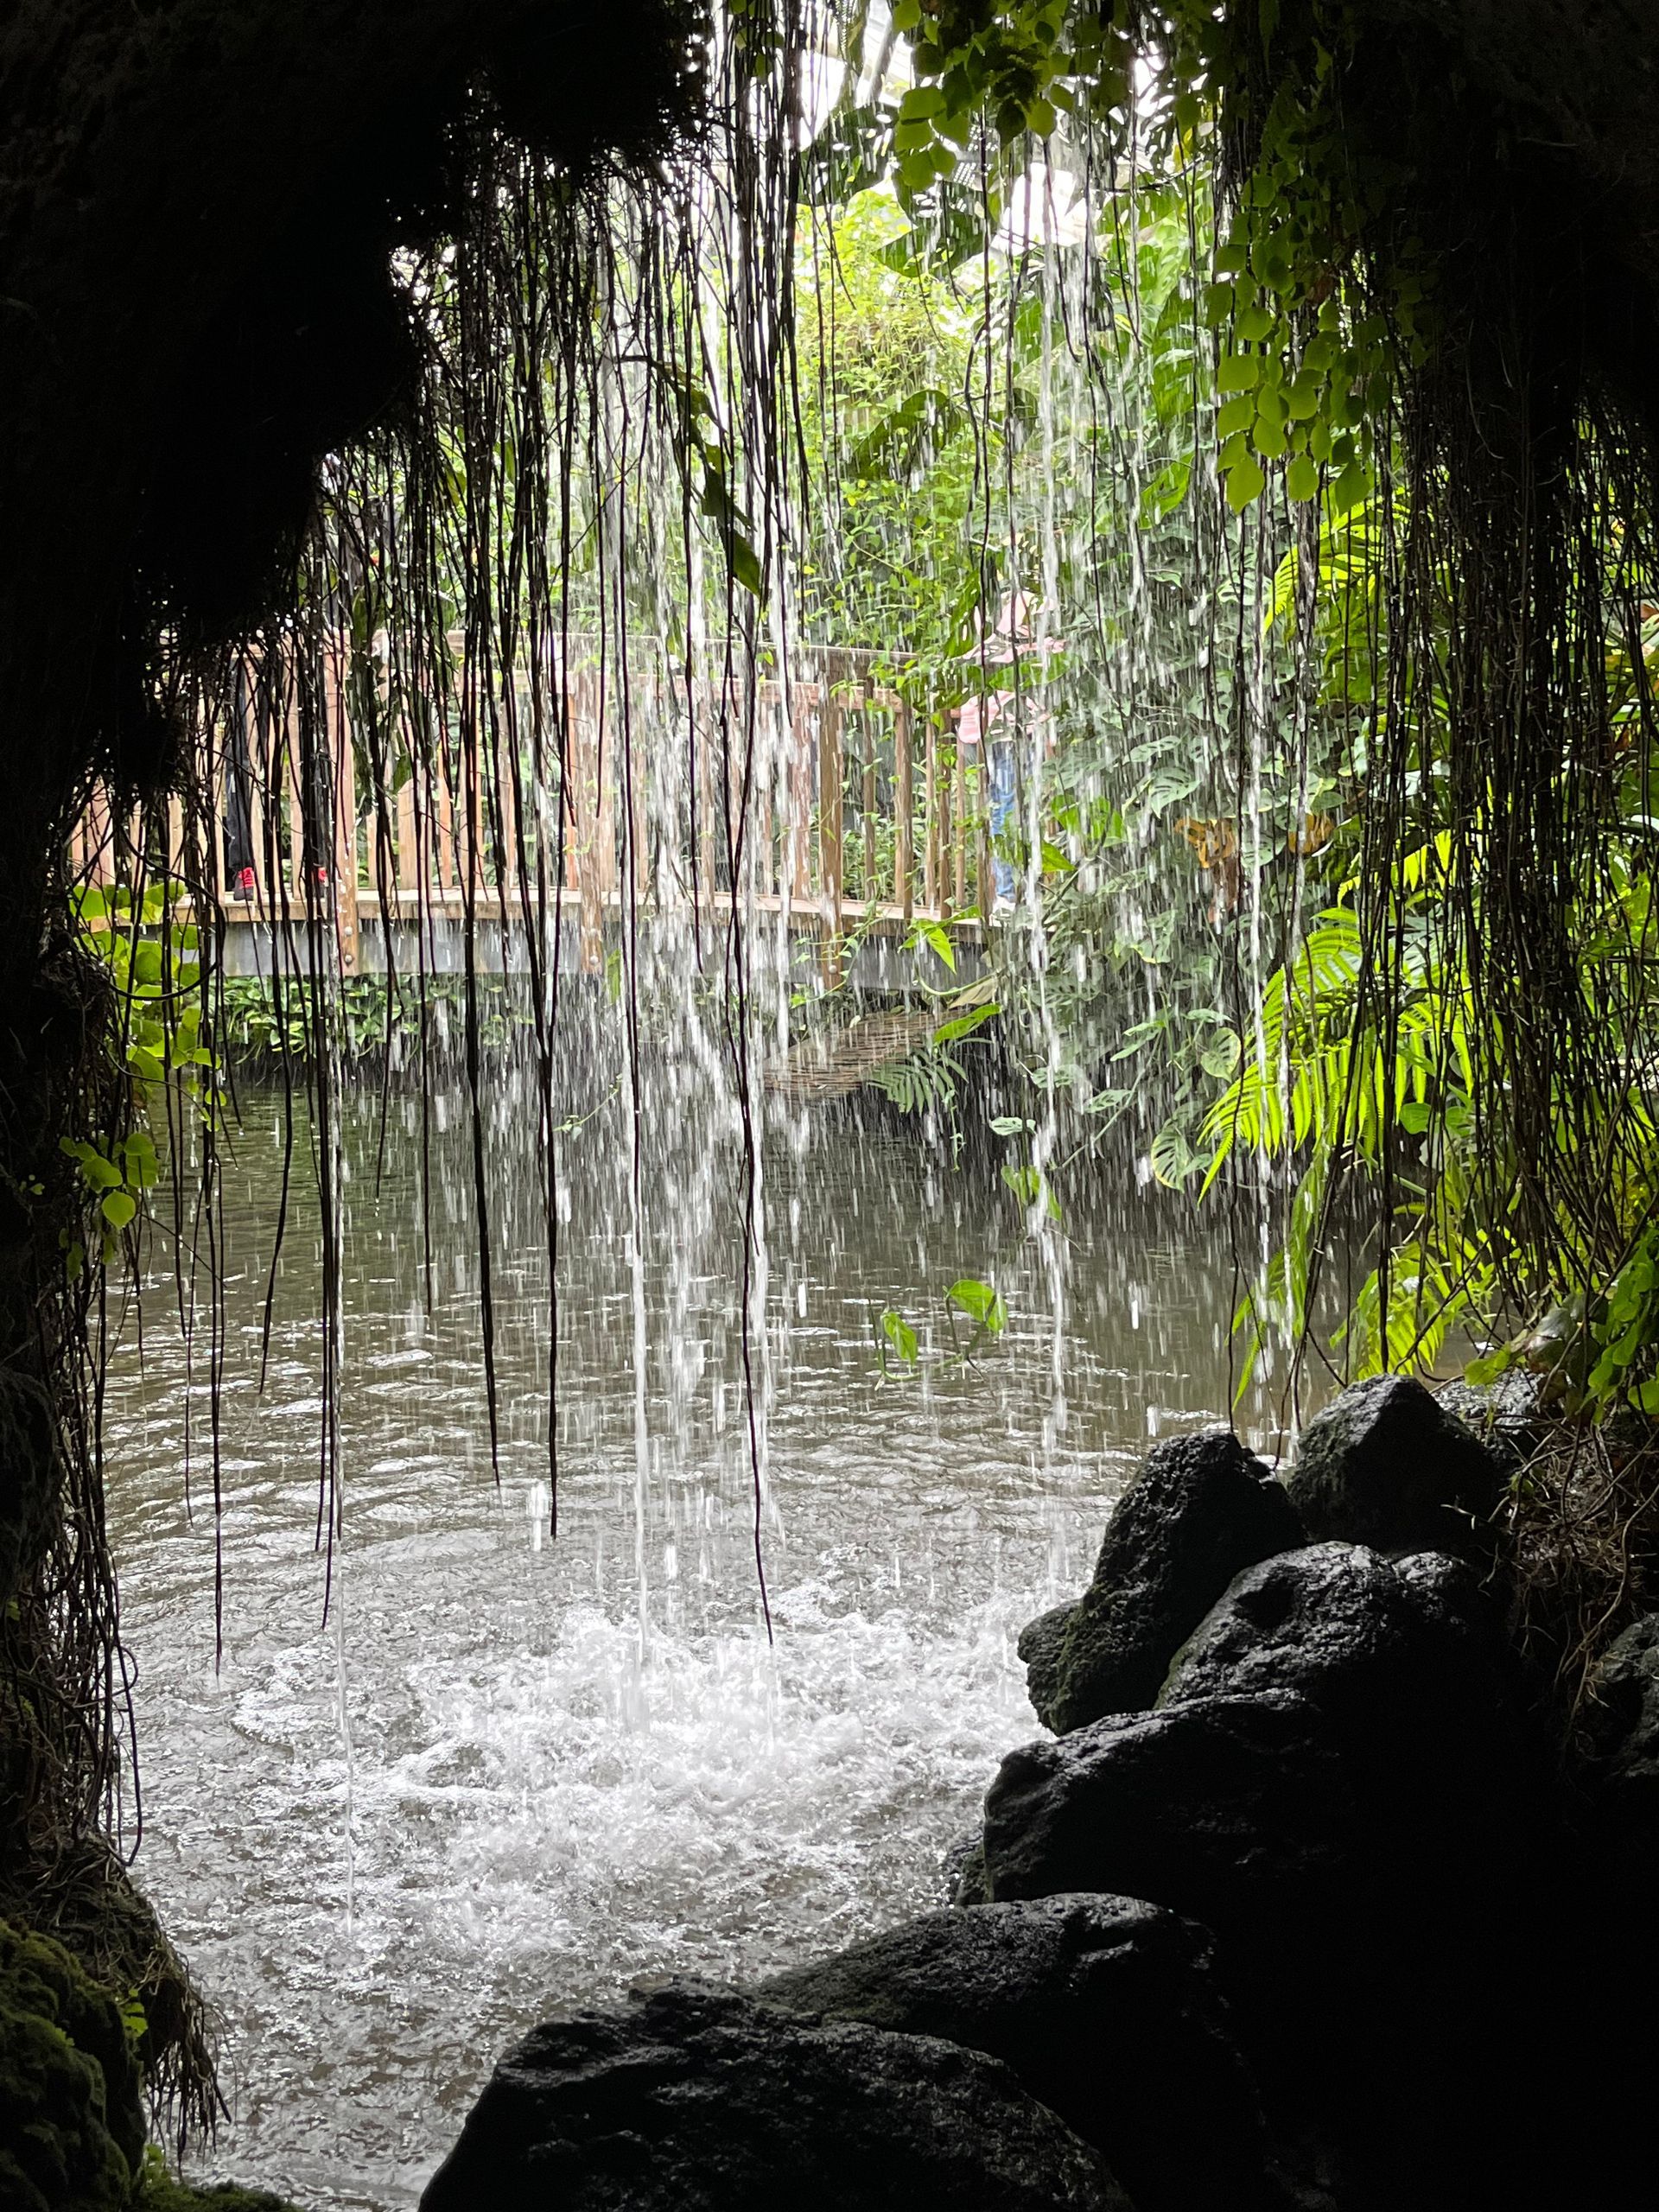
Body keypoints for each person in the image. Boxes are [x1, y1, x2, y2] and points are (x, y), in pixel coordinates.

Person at [950, 590, 1061, 910]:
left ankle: (1010, 894)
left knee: (1008, 805)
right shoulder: (1029, 599)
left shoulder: (1003, 598)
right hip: (1013, 725)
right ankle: (1012, 892)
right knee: (1015, 805)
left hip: (1004, 724)